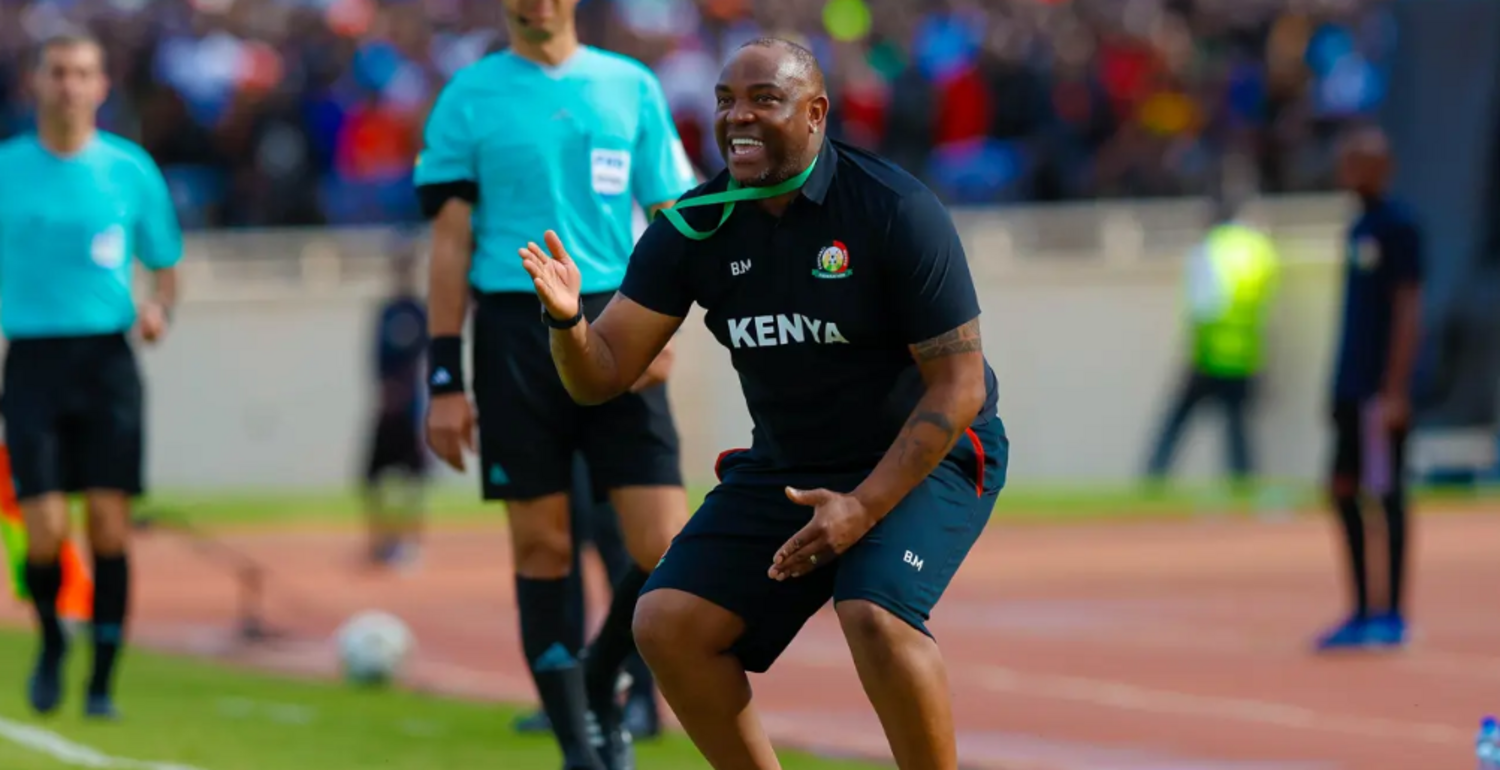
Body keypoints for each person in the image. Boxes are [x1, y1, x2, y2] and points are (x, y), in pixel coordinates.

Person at [518, 38, 1009, 770]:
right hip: (789, 465)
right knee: (667, 622)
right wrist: (566, 323)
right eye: (725, 101)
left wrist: (862, 507)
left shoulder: (894, 207)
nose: (737, 116)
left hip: (925, 455)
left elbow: (959, 384)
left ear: (816, 113)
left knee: (874, 613)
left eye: (763, 99)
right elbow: (600, 375)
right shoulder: (694, 226)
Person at [412, 1, 697, 767]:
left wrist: (665, 323)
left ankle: (601, 681)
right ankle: (579, 746)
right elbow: (449, 244)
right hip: (514, 330)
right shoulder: (467, 95)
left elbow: (672, 216)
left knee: (666, 545)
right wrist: (444, 376)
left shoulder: (631, 86)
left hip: (617, 319)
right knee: (542, 546)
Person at [0, 32, 183, 720]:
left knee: (109, 525)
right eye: (57, 72)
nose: (69, 85)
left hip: (107, 362)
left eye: (82, 73)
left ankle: (102, 681)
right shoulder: (8, 170)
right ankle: (52, 639)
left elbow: (165, 264)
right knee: (44, 527)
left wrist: (159, 310)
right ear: (35, 82)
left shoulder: (128, 170)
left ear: (102, 86)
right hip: (33, 361)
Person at [1314, 125, 1423, 652]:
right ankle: (1360, 609)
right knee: (1342, 488)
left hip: (1378, 392)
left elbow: (1408, 309)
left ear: (1381, 167)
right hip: (1352, 388)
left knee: (1386, 493)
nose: (1347, 171)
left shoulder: (1399, 228)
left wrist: (1395, 389)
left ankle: (1391, 613)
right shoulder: (1358, 228)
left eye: (1356, 161)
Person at [513, 453, 661, 740]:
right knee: (556, 558)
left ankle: (640, 697)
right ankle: (563, 699)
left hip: (609, 441)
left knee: (626, 559)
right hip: (557, 442)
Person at [1144, 197, 1280, 489]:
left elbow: (1202, 307)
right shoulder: (1258, 250)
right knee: (1237, 429)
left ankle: (1153, 479)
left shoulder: (1209, 251)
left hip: (1209, 354)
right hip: (1244, 356)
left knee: (1176, 422)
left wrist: (1192, 352)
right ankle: (1243, 484)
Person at [362, 239, 430, 569]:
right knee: (372, 477)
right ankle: (381, 541)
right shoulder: (387, 312)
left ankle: (411, 542)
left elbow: (425, 357)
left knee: (414, 479)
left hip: (412, 409)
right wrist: (385, 393)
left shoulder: (419, 312)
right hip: (387, 408)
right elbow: (374, 358)